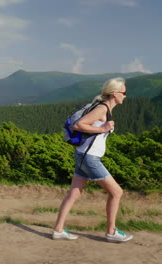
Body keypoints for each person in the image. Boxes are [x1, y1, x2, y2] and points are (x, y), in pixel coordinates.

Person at [52, 77, 133, 243]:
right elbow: (79, 125)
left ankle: (58, 230)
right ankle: (111, 232)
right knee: (117, 192)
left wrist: (102, 128)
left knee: (74, 193)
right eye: (124, 93)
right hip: (89, 158)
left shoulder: (104, 107)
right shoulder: (102, 109)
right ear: (115, 93)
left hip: (83, 155)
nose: (125, 96)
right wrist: (103, 128)